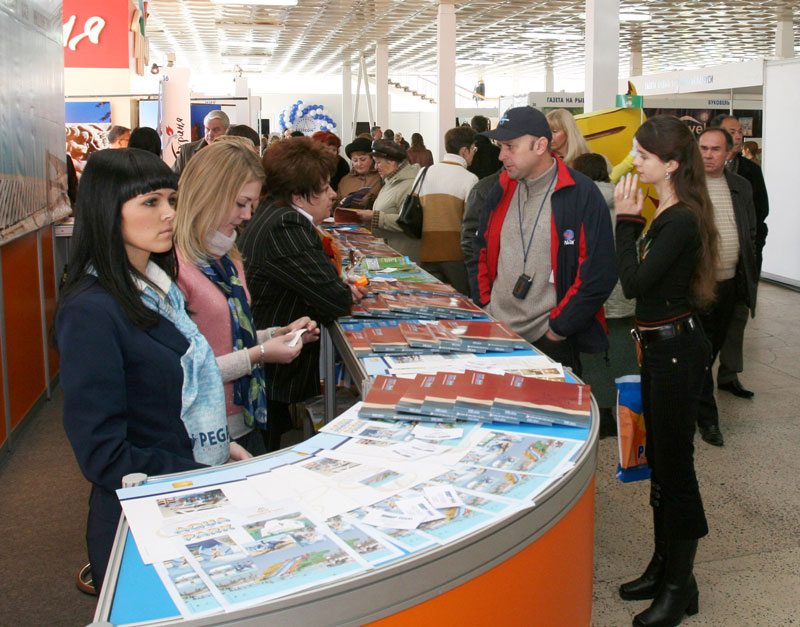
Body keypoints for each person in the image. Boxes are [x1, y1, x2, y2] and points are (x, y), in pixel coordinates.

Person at [55, 148, 248, 593]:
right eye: (150, 202)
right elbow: (103, 454)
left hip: (186, 501)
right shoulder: (92, 310)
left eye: (171, 200)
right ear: (107, 210)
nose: (168, 215)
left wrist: (218, 452)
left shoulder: (161, 292)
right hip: (142, 524)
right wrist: (198, 469)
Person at [614, 115, 718, 627]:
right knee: (661, 458)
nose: (635, 161)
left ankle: (680, 587)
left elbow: (633, 282)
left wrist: (626, 223)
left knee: (677, 469)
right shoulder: (672, 210)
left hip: (676, 353)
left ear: (672, 164)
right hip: (660, 349)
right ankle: (664, 569)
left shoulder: (678, 219)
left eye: (644, 156)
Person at [173, 140, 319, 455]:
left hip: (246, 417)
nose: (247, 215)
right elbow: (184, 372)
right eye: (240, 203)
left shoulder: (228, 257)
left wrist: (275, 335)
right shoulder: (176, 268)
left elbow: (230, 336)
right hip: (203, 429)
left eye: (252, 204)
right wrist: (262, 353)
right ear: (209, 195)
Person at [238, 137, 368, 450]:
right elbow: (334, 299)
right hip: (274, 364)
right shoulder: (288, 225)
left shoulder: (275, 214)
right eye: (324, 187)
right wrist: (341, 290)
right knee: (266, 450)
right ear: (299, 194)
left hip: (270, 350)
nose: (334, 194)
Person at [469, 106, 616, 374]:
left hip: (550, 338)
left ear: (540, 145)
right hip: (498, 331)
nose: (501, 156)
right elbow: (479, 249)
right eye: (500, 146)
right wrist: (485, 305)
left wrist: (558, 329)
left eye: (510, 147)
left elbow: (598, 271)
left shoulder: (580, 193)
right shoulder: (500, 188)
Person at [693, 127, 757, 446]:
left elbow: (751, 231)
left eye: (715, 149)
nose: (708, 154)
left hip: (731, 283)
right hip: (696, 285)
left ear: (729, 152)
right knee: (702, 352)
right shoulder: (686, 185)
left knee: (712, 351)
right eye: (703, 147)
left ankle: (694, 405)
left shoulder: (741, 187)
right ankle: (708, 420)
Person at [572, 152, 637, 437]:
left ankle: (597, 412)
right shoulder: (625, 202)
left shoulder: (577, 203)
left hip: (591, 292)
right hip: (623, 288)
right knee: (622, 354)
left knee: (592, 356)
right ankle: (623, 413)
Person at [711, 115, 769, 399]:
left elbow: (761, 212)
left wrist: (753, 250)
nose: (738, 136)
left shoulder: (748, 172)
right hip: (710, 269)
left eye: (739, 132)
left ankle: (729, 375)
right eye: (731, 131)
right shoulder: (696, 177)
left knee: (736, 319)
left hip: (740, 263)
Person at [416, 126, 478, 295]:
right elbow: (469, 221)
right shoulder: (470, 179)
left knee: (431, 304)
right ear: (464, 150)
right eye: (474, 149)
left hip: (426, 251)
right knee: (461, 305)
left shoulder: (424, 172)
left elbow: (415, 211)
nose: (474, 153)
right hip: (456, 257)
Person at [352, 139, 422, 261]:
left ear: (392, 162)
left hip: (403, 256)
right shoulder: (391, 182)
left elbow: (409, 222)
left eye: (378, 163)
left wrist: (374, 217)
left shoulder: (408, 185)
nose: (375, 167)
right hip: (391, 254)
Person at [172, 110, 230, 176]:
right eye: (207, 129)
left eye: (215, 130)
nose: (210, 134)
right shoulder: (187, 150)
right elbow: (172, 178)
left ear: (226, 131)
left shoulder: (235, 153)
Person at [337, 136, 382, 209]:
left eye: (363, 159)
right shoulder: (345, 180)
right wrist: (341, 203)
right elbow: (333, 204)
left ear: (372, 159)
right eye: (355, 160)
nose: (359, 164)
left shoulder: (381, 177)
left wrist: (369, 202)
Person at [468, 115, 502, 179]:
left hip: (473, 186)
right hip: (493, 186)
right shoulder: (496, 150)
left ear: (472, 128)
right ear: (486, 129)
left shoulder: (469, 151)